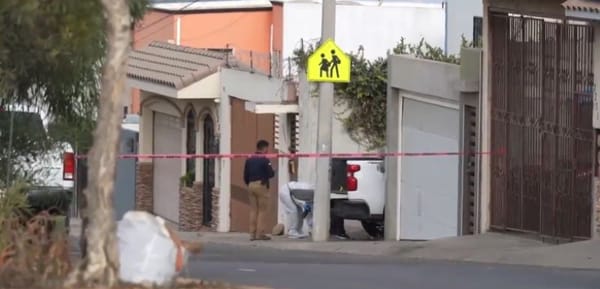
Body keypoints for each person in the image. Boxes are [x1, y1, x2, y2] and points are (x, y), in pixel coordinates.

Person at [243, 140, 276, 241]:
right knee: (262, 210)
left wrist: (249, 183)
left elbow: (245, 175)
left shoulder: (249, 159)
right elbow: (271, 174)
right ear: (264, 148)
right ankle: (260, 233)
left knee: (253, 210)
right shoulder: (265, 160)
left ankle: (252, 234)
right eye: (267, 149)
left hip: (251, 185)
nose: (267, 151)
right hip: (261, 185)